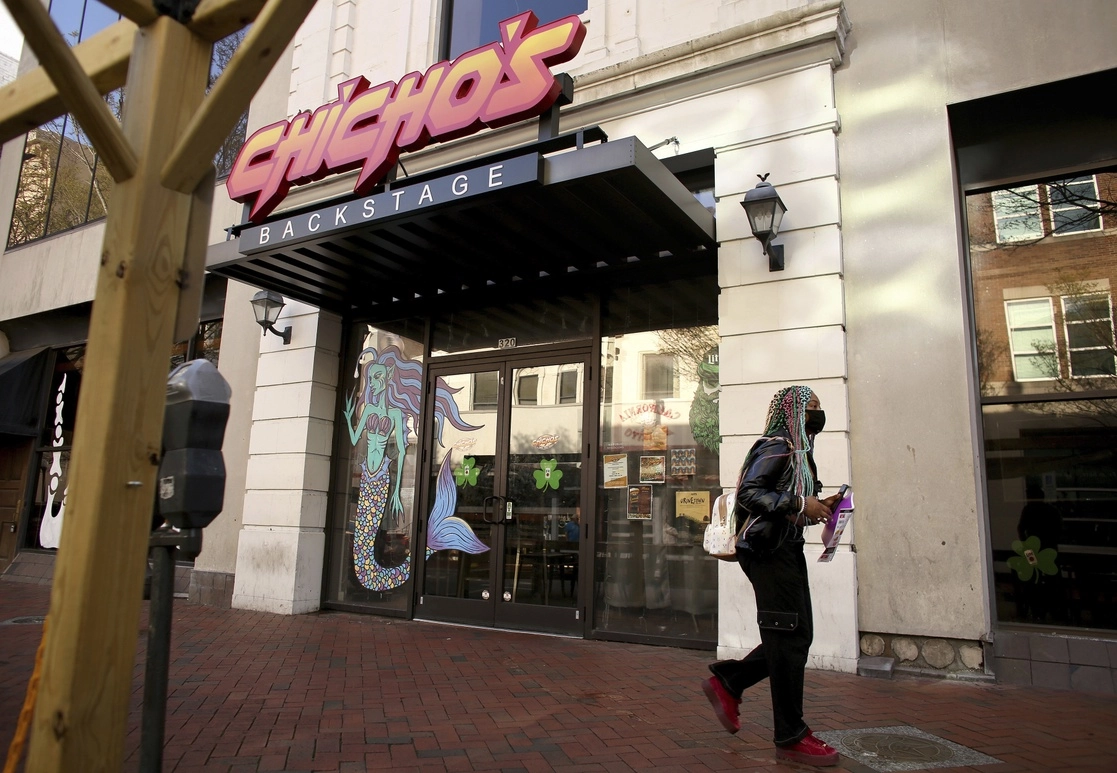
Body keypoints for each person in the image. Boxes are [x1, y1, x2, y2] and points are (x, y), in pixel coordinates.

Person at [700, 385, 841, 767]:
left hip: (784, 548)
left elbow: (787, 504)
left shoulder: (800, 452)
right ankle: (790, 734)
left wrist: (818, 505)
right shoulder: (778, 445)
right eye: (811, 406)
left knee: (797, 635)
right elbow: (750, 493)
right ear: (792, 410)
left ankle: (730, 682)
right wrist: (800, 502)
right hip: (768, 552)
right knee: (789, 637)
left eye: (819, 406)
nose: (817, 413)